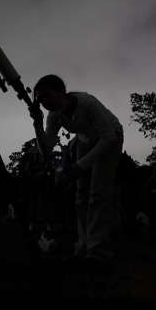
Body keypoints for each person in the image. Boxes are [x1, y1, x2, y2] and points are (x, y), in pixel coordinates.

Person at [34, 75, 124, 264]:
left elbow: (108, 137)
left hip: (110, 137)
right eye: (40, 99)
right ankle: (83, 243)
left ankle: (97, 248)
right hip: (84, 140)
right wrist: (37, 123)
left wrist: (79, 166)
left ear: (61, 92)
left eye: (46, 96)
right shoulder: (54, 115)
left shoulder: (87, 103)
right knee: (80, 194)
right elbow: (46, 149)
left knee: (98, 193)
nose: (44, 102)